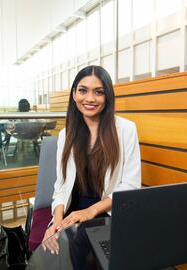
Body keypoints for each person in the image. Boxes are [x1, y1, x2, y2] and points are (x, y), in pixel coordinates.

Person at [42, 65, 141, 254]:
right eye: (82, 90)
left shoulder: (126, 130)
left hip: (107, 208)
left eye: (98, 92)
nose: (89, 98)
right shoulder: (66, 135)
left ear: (108, 97)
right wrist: (56, 223)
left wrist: (90, 211)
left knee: (88, 248)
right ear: (73, 94)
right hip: (74, 208)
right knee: (62, 251)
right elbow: (62, 185)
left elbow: (130, 185)